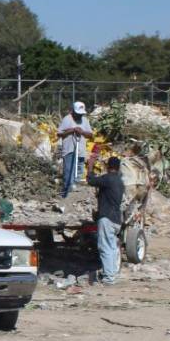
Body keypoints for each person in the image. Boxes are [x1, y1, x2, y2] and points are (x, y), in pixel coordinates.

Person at [87, 155, 124, 285]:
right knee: (112, 248)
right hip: (116, 220)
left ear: (108, 167)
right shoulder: (120, 181)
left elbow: (91, 181)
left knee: (105, 248)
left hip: (107, 218)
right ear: (118, 168)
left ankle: (109, 278)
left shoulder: (108, 179)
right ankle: (112, 274)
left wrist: (90, 165)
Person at [58, 101, 94, 198]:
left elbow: (90, 135)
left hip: (81, 150)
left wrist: (82, 132)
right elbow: (59, 134)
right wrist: (72, 130)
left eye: (81, 114)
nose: (79, 116)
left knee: (79, 173)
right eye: (78, 113)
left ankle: (74, 196)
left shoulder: (85, 120)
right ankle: (66, 194)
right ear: (73, 111)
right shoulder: (67, 119)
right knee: (69, 173)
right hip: (69, 150)